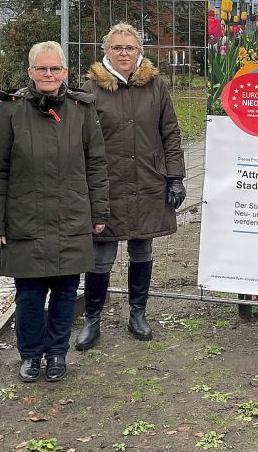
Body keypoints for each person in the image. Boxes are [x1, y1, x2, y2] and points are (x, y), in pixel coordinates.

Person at [0, 41, 109, 383]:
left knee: (66, 292)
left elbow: (96, 165)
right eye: (42, 68)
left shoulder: (82, 109)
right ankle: (30, 354)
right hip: (25, 219)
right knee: (29, 295)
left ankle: (56, 353)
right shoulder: (10, 111)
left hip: (71, 217)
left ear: (65, 72)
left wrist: (99, 212)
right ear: (30, 72)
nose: (49, 74)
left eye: (55, 68)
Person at [77, 23, 185, 349]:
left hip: (148, 180)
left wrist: (175, 176)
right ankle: (92, 319)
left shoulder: (156, 86)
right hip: (106, 185)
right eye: (117, 47)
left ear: (140, 51)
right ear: (106, 51)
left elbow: (171, 132)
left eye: (130, 47)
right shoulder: (91, 89)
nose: (124, 53)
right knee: (101, 255)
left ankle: (138, 313)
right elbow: (79, 140)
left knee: (142, 249)